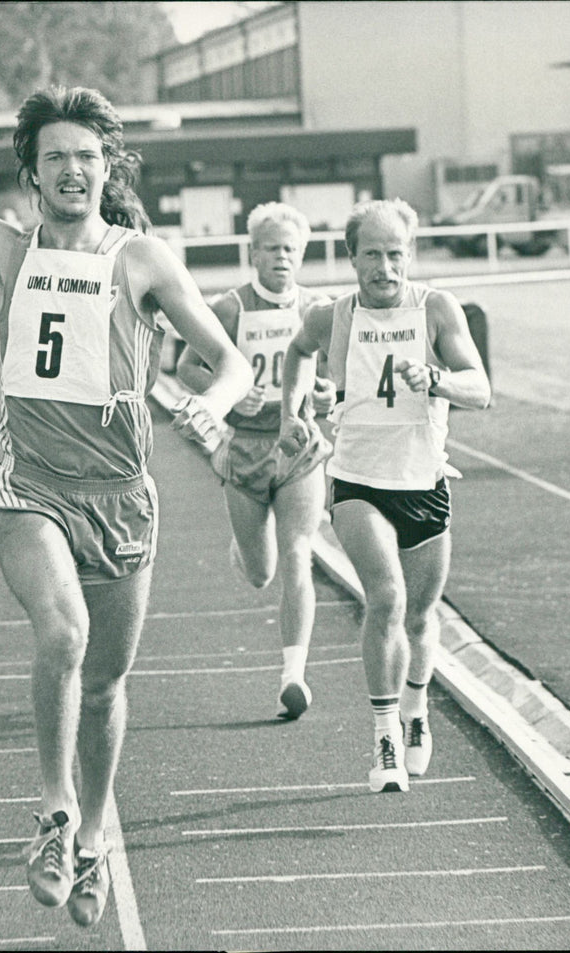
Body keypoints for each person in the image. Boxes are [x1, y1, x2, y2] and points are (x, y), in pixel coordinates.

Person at [0, 1, 252, 929]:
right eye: (56, 158)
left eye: (89, 155)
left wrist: (212, 402)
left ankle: (91, 843)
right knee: (65, 637)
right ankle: (53, 809)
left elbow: (230, 358)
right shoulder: (2, 251)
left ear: (107, 167)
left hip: (123, 500)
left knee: (109, 681)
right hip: (29, 490)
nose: (74, 170)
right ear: (32, 176)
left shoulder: (143, 259)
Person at [279, 198, 491, 792]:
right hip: (356, 483)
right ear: (351, 257)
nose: (384, 266)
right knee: (387, 598)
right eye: (371, 254)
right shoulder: (332, 316)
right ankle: (384, 736)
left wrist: (439, 379)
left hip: (424, 482)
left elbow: (480, 387)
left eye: (395, 253)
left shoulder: (437, 309)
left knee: (421, 616)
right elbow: (298, 351)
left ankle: (416, 710)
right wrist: (289, 413)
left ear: (410, 255)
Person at [176, 202, 335, 719]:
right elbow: (186, 367)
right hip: (243, 450)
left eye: (291, 249)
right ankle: (244, 547)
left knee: (298, 554)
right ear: (254, 253)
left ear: (303, 253)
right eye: (272, 249)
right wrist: (228, 392)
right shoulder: (229, 309)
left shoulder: (319, 310)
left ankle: (294, 675)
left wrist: (327, 394)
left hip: (298, 450)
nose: (282, 258)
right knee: (261, 572)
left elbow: (332, 374)